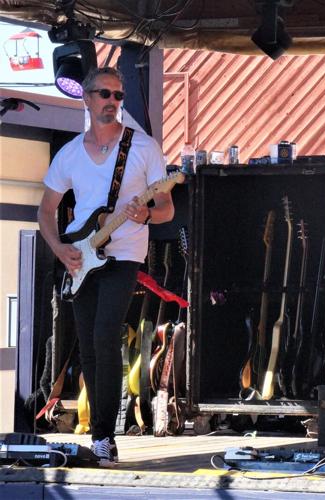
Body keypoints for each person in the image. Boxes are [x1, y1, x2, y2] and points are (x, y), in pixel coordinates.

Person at [37, 67, 174, 466]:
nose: (112, 102)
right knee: (90, 347)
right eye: (104, 94)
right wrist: (61, 251)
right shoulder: (70, 153)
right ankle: (99, 432)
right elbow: (46, 210)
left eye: (118, 95)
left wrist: (145, 213)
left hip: (123, 256)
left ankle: (104, 438)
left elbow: (167, 208)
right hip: (80, 260)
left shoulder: (143, 148)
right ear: (87, 98)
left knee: (104, 335)